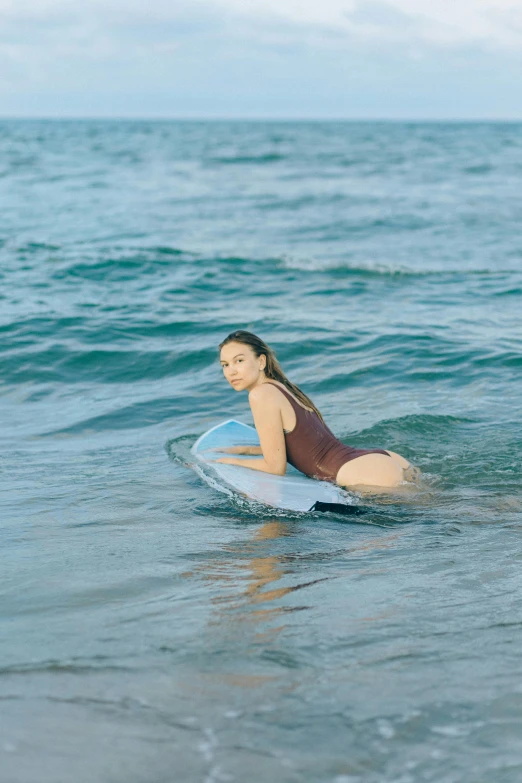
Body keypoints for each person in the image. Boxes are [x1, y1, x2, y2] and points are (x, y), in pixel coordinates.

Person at [214, 330, 417, 491]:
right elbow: (298, 444)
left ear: (261, 361)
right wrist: (248, 450)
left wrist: (228, 462)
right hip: (377, 460)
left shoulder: (260, 394)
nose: (230, 371)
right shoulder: (282, 387)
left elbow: (275, 468)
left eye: (239, 361)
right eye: (225, 365)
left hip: (362, 472)